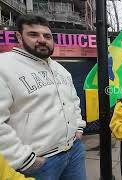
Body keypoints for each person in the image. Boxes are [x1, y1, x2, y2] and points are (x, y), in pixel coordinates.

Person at [0, 15, 86, 180]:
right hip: (39, 162)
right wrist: (23, 159)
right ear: (19, 36)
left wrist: (79, 128)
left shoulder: (61, 69)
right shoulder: (4, 65)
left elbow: (74, 102)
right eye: (33, 34)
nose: (42, 40)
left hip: (73, 151)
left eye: (47, 36)